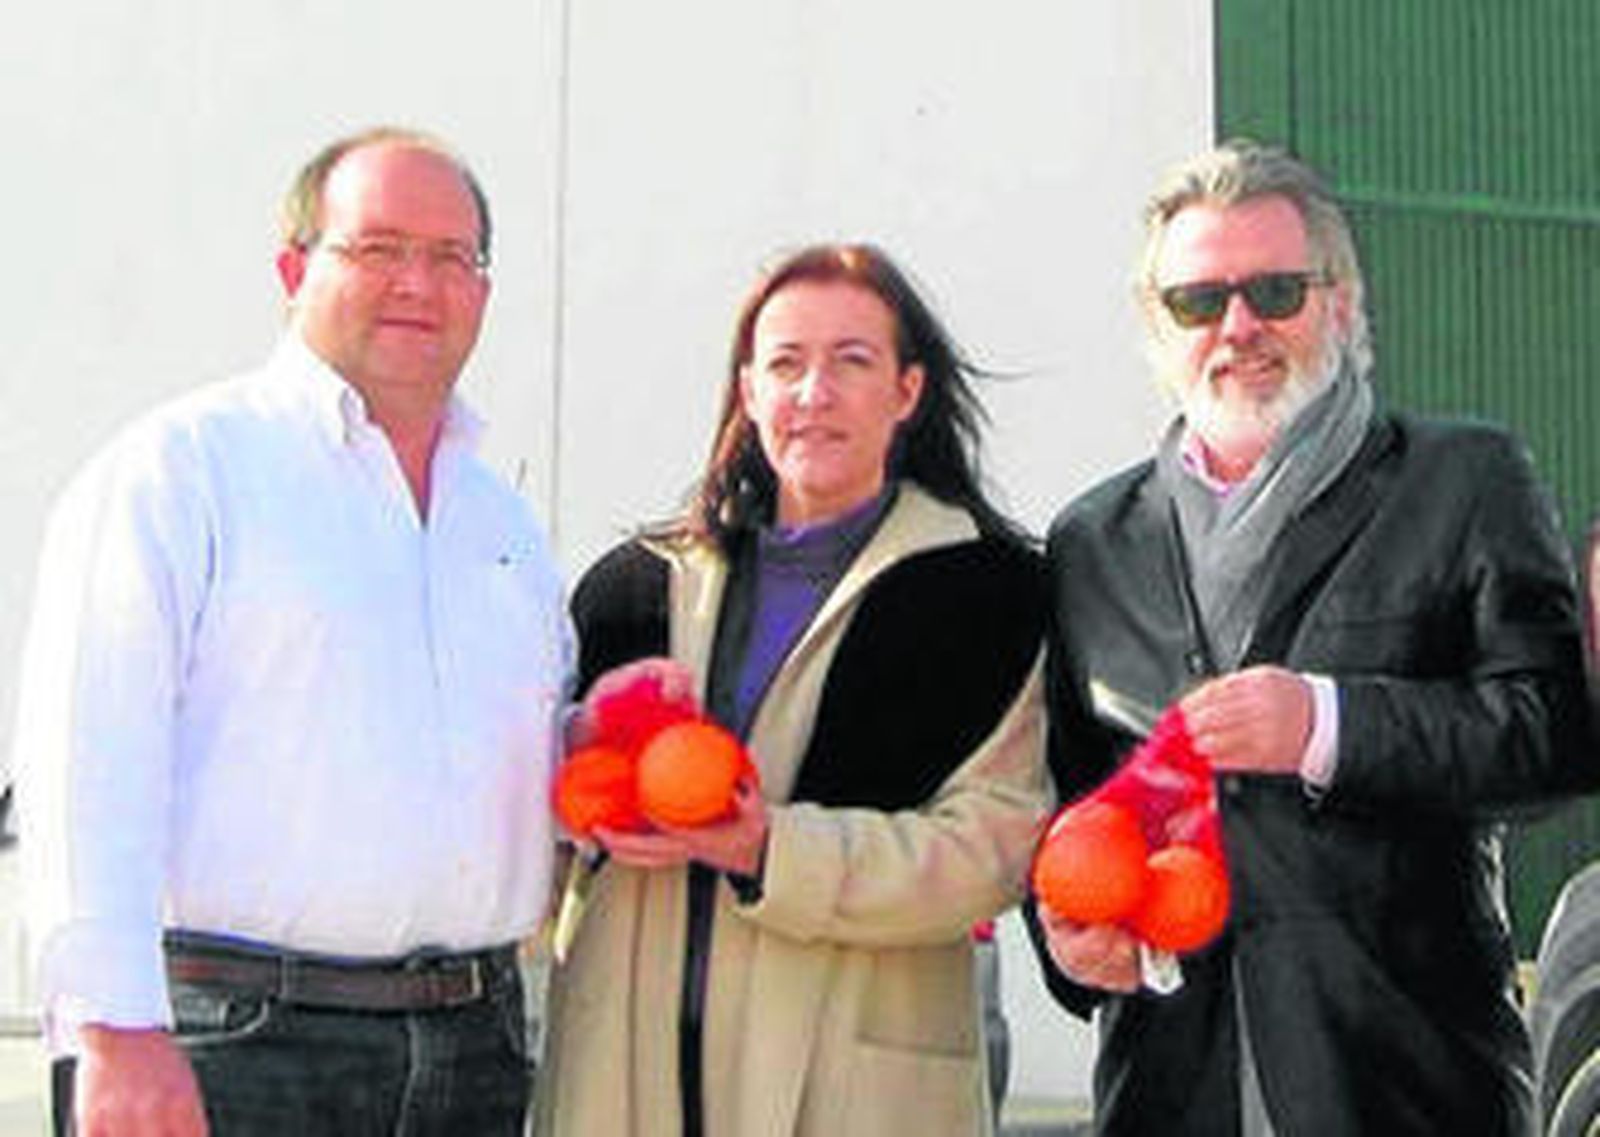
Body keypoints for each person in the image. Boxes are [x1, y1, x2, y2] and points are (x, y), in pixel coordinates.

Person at [1028, 139, 1595, 1135]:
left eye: (1274, 291)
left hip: (1403, 1080)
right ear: (1159, 331)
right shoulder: (1091, 541)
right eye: (1199, 301)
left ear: (1339, 301)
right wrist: (1067, 940)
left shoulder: (1461, 481)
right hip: (1170, 1085)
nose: (1238, 327)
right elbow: (1068, 801)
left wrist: (1328, 725)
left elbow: (1549, 736)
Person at [13, 126, 570, 1136]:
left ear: (483, 292)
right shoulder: (179, 473)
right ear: (292, 269)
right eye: (378, 248)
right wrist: (113, 1030)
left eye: (453, 257)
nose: (419, 282)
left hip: (474, 1047)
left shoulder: (502, 523)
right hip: (231, 1046)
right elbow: (81, 761)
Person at [533, 243, 1051, 1137]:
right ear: (748, 391)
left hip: (852, 1084)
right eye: (785, 364)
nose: (814, 393)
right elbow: (535, 843)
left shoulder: (987, 596)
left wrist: (772, 849)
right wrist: (569, 795)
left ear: (908, 391)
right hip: (622, 1075)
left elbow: (998, 845)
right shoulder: (630, 588)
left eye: (853, 361)